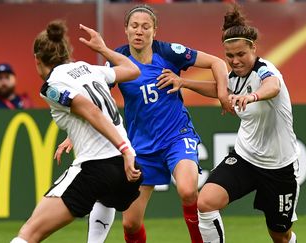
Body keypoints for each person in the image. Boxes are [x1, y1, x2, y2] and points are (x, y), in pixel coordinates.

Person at [81, 4, 234, 243]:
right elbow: (93, 100)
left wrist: (223, 94)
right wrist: (74, 134)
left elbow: (217, 63)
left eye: (145, 27)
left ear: (155, 30)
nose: (139, 31)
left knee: (187, 189)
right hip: (141, 147)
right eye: (134, 26)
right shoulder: (117, 62)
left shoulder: (170, 52)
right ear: (126, 30)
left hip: (176, 137)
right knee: (131, 224)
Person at [10, 20, 142, 243]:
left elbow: (90, 110)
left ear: (37, 59)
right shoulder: (88, 68)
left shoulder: (51, 87)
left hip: (97, 167)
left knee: (28, 234)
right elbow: (133, 70)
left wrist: (125, 148)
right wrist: (103, 49)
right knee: (105, 197)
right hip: (125, 170)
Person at [194, 5, 300, 243]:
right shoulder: (234, 78)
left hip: (279, 167)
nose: (235, 61)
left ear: (253, 48)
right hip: (245, 159)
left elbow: (272, 86)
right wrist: (183, 82)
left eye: (241, 54)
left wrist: (251, 97)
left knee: (280, 235)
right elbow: (218, 89)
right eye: (229, 56)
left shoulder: (266, 69)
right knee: (206, 202)